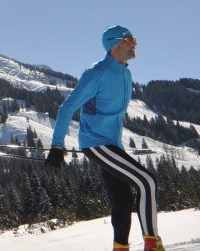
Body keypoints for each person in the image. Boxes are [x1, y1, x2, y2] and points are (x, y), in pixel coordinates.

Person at [45, 25, 163, 251]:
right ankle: (152, 244)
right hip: (97, 143)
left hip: (112, 145)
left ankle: (120, 247)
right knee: (147, 181)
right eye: (129, 39)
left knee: (123, 200)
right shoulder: (97, 73)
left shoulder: (125, 73)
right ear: (114, 44)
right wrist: (57, 145)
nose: (134, 43)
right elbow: (67, 108)